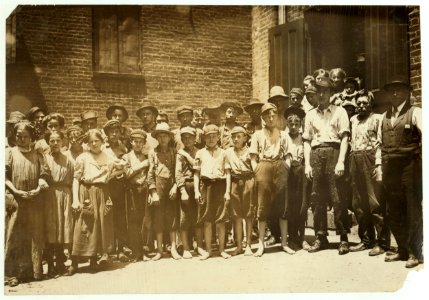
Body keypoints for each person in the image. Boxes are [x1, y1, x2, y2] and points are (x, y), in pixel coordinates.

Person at [303, 76, 351, 255]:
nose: (321, 94)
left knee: (338, 197)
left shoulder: (340, 112)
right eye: (318, 91)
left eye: (325, 91)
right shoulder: (310, 115)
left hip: (334, 153)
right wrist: (307, 164)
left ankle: (344, 238)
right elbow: (307, 141)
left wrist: (340, 161)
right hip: (316, 155)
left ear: (331, 93)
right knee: (317, 198)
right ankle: (320, 237)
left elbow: (345, 137)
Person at [380, 76, 422, 268]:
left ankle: (415, 252)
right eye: (391, 90)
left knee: (411, 208)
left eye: (399, 90)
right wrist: (379, 167)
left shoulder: (415, 113)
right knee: (393, 209)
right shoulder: (384, 116)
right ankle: (402, 249)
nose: (395, 93)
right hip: (390, 168)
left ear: (407, 92)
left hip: (409, 167)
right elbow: (380, 145)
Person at [67, 129, 122, 276]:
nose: (93, 143)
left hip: (103, 192)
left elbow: (121, 168)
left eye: (96, 141)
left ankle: (93, 261)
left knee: (99, 225)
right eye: (90, 141)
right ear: (87, 143)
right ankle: (74, 262)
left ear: (102, 142)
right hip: (86, 192)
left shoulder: (108, 156)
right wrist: (76, 200)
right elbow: (76, 179)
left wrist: (110, 175)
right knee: (83, 226)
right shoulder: (83, 157)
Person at [5, 121, 50, 286]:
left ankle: (33, 271)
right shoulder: (10, 153)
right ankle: (11, 274)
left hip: (34, 200)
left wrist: (38, 188)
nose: (22, 139)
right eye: (18, 136)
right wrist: (16, 191)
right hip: (16, 200)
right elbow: (5, 177)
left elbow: (44, 174)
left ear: (32, 137)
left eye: (25, 137)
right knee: (14, 235)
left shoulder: (38, 155)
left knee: (34, 235)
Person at [348, 89, 390, 255]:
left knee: (374, 202)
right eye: (359, 103)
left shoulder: (377, 119)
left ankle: (382, 242)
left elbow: (380, 143)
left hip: (370, 159)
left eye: (365, 103)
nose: (361, 106)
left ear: (371, 103)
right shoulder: (353, 120)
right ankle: (366, 240)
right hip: (355, 159)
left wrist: (378, 164)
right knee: (358, 203)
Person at [249, 103, 293, 257]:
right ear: (263, 118)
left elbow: (288, 155)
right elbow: (253, 157)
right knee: (262, 206)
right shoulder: (257, 135)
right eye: (268, 115)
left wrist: (286, 167)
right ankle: (260, 244)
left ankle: (284, 243)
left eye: (274, 114)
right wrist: (257, 170)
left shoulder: (283, 134)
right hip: (264, 166)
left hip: (280, 166)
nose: (271, 117)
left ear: (277, 116)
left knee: (283, 204)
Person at [194, 124, 231, 260]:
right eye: (208, 137)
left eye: (214, 136)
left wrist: (227, 192)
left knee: (221, 220)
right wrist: (196, 191)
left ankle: (221, 249)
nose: (211, 139)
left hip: (220, 186)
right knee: (207, 220)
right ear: (204, 138)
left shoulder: (223, 153)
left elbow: (227, 173)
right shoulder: (200, 153)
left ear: (218, 138)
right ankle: (209, 250)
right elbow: (196, 174)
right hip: (206, 186)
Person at [147, 122, 180, 261]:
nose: (162, 139)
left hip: (171, 185)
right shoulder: (153, 152)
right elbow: (150, 174)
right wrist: (153, 192)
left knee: (172, 217)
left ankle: (173, 248)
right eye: (159, 136)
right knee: (158, 218)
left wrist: (175, 186)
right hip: (158, 186)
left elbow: (178, 171)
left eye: (165, 136)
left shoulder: (174, 152)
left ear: (169, 137)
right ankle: (160, 250)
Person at [43, 130, 74, 277]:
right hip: (50, 195)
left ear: (62, 142)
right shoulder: (44, 158)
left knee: (63, 228)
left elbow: (74, 179)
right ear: (48, 142)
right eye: (52, 141)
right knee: (51, 228)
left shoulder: (68, 160)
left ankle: (61, 264)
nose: (55, 144)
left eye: (58, 141)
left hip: (65, 195)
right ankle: (50, 265)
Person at [175, 126, 206, 259]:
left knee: (198, 217)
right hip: (186, 185)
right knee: (185, 218)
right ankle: (186, 248)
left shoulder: (199, 152)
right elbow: (178, 173)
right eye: (184, 138)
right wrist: (182, 190)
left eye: (190, 137)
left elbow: (198, 167)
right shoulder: (179, 154)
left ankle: (199, 246)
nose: (187, 140)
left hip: (198, 185)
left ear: (195, 139)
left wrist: (187, 156)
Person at [103, 119, 131, 262]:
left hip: (120, 185)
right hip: (107, 185)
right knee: (108, 215)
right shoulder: (103, 148)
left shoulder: (123, 147)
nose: (114, 134)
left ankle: (122, 248)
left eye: (116, 131)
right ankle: (108, 250)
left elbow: (126, 166)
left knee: (120, 215)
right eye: (111, 132)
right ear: (107, 133)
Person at [225, 126, 256, 256]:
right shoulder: (227, 152)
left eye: (239, 136)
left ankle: (248, 244)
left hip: (248, 181)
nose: (236, 139)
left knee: (248, 215)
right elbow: (227, 172)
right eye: (233, 136)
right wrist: (227, 191)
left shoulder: (250, 152)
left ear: (245, 138)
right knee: (236, 216)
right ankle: (239, 246)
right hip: (234, 182)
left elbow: (255, 168)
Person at [283, 106, 310, 251]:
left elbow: (307, 155)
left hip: (301, 172)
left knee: (302, 204)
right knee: (290, 205)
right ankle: (292, 237)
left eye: (296, 124)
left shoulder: (304, 138)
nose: (293, 126)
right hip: (287, 173)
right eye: (291, 123)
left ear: (300, 124)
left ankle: (303, 237)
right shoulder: (283, 137)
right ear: (287, 124)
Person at [123, 129, 151, 262]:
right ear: (131, 142)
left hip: (144, 190)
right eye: (135, 142)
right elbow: (126, 174)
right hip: (132, 191)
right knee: (133, 221)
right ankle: (136, 252)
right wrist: (141, 166)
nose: (138, 144)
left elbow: (150, 175)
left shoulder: (147, 157)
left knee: (144, 221)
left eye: (141, 142)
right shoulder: (126, 157)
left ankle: (143, 250)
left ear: (144, 143)